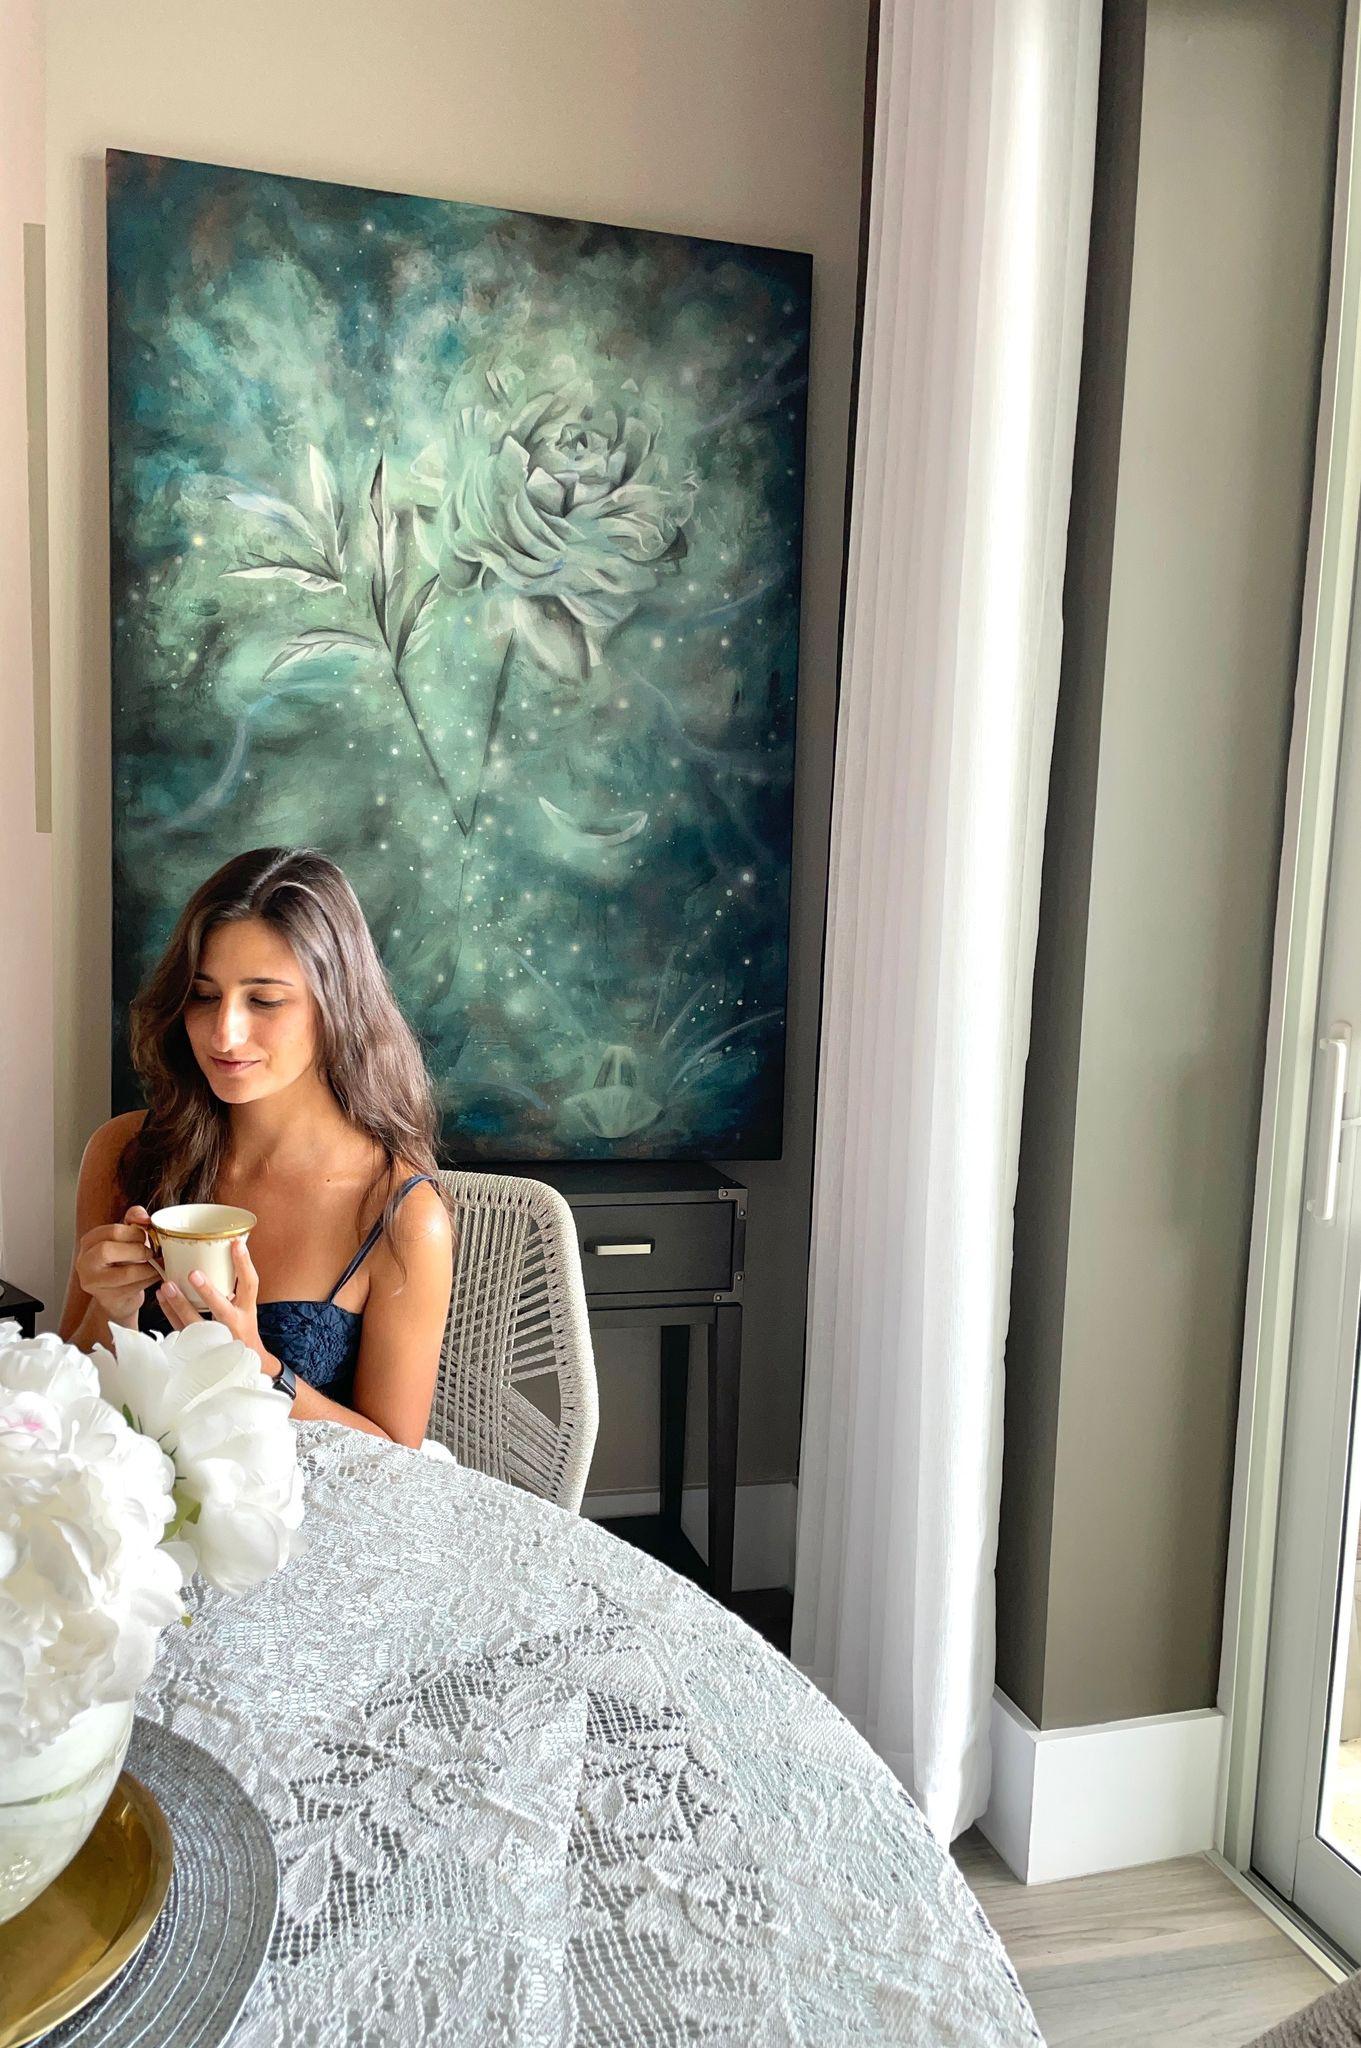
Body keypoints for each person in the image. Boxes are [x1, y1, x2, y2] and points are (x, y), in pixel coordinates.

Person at [59, 847, 454, 1447]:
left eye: (264, 1000)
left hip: (313, 1503)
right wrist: (108, 1310)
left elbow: (400, 1459)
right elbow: (65, 1396)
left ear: (336, 1006)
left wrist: (261, 1369)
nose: (225, 1033)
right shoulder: (125, 1153)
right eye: (203, 995)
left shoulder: (401, 1214)